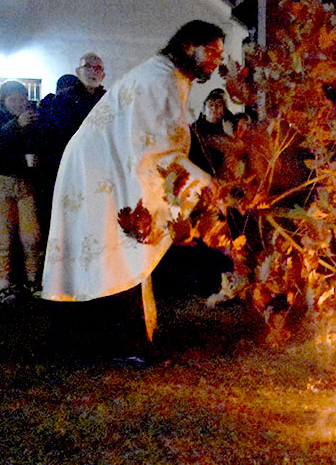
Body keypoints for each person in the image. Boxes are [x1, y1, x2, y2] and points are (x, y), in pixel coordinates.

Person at [41, 20, 226, 344]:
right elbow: (156, 147)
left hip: (105, 165)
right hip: (101, 169)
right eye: (210, 50)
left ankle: (94, 337)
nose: (216, 60)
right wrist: (207, 185)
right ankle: (124, 341)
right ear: (187, 46)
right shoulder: (160, 78)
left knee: (111, 250)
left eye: (219, 54)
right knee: (121, 249)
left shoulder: (168, 75)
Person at [0, 80, 42, 304]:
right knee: (2, 237)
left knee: (31, 236)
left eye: (22, 99)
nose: (18, 103)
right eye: (13, 99)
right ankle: (3, 285)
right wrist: (17, 124)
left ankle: (33, 280)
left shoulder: (33, 120)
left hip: (25, 182)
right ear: (3, 101)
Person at [34, 54, 107, 225]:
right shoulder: (63, 99)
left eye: (98, 68)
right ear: (78, 71)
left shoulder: (107, 99)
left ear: (103, 74)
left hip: (97, 167)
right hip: (66, 166)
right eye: (88, 67)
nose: (93, 72)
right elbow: (58, 134)